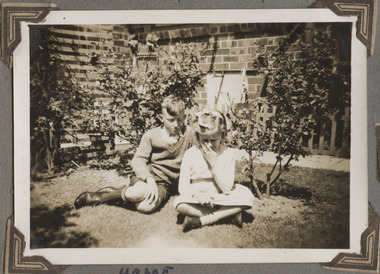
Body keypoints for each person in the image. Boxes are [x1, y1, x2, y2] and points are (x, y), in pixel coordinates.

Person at [74, 95, 195, 213]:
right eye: (171, 120)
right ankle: (99, 197)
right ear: (161, 117)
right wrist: (150, 179)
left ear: (184, 117)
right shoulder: (151, 135)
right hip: (146, 177)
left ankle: (117, 192)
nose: (176, 124)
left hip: (164, 185)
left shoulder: (189, 134)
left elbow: (201, 152)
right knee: (138, 193)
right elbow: (138, 160)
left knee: (145, 207)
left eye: (179, 119)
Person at [173, 109, 255, 232]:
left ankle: (203, 220)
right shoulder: (190, 154)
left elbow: (227, 188)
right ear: (197, 136)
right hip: (198, 199)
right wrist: (197, 195)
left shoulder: (228, 154)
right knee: (179, 203)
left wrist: (214, 164)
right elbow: (183, 187)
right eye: (205, 140)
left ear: (222, 136)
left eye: (214, 140)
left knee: (247, 195)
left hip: (221, 198)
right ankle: (228, 216)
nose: (209, 145)